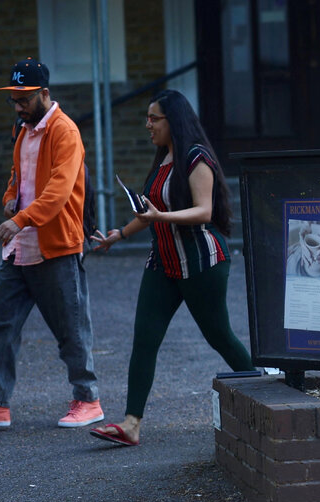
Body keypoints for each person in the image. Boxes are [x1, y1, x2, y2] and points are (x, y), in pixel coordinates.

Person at [88, 90, 253, 446]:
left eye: (154, 118)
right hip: (163, 262)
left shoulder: (196, 158)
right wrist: (119, 234)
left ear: (172, 120)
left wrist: (160, 216)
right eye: (147, 118)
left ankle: (266, 390)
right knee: (144, 339)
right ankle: (131, 424)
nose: (148, 125)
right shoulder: (163, 158)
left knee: (219, 336)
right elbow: (149, 211)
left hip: (201, 262)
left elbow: (204, 211)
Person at [0, 57, 103, 429]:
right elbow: (17, 175)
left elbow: (58, 192)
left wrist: (17, 219)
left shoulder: (65, 131)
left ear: (45, 93)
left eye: (24, 99)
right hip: (20, 248)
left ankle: (88, 400)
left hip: (57, 247)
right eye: (14, 99)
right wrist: (10, 197)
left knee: (71, 331)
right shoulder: (23, 130)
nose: (18, 106)